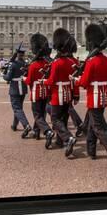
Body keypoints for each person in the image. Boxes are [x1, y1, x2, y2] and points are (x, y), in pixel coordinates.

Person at [73, 24, 107, 174]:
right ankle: (91, 150)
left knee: (98, 127)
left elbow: (84, 83)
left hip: (94, 96)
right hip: (103, 98)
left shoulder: (91, 62)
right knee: (91, 123)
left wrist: (74, 80)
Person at [42, 28, 78, 157]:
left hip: (58, 94)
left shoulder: (57, 63)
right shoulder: (72, 62)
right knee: (64, 118)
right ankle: (60, 140)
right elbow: (74, 80)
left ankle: (68, 138)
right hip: (68, 93)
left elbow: (51, 81)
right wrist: (76, 95)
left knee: (55, 119)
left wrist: (43, 82)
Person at [23, 33, 55, 148]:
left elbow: (29, 81)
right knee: (42, 113)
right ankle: (37, 132)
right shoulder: (48, 63)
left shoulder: (34, 65)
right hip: (45, 91)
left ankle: (47, 131)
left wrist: (23, 78)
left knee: (37, 115)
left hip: (36, 91)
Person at [3, 45, 32, 138]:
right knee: (19, 108)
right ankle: (14, 125)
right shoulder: (25, 64)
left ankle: (26, 125)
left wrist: (3, 75)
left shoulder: (14, 64)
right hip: (22, 88)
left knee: (17, 108)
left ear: (17, 53)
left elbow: (8, 77)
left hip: (15, 88)